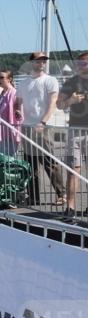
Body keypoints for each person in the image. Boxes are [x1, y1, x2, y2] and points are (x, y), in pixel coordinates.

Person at [18, 52, 64, 206]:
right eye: (38, 61)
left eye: (43, 61)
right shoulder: (24, 83)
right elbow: (18, 101)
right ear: (31, 62)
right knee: (30, 164)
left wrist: (43, 122)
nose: (41, 63)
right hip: (28, 126)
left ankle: (61, 194)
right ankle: (33, 197)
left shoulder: (50, 80)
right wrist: (18, 111)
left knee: (49, 162)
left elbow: (53, 103)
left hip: (44, 126)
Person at [57, 52, 88, 222]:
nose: (80, 66)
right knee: (72, 170)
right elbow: (59, 104)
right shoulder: (71, 82)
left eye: (84, 63)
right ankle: (70, 207)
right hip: (74, 132)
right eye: (79, 63)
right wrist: (71, 101)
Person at [0, 70, 22, 156]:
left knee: (9, 157)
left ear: (9, 79)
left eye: (2, 77)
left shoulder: (13, 93)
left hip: (9, 131)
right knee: (1, 156)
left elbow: (18, 112)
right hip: (1, 130)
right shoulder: (2, 93)